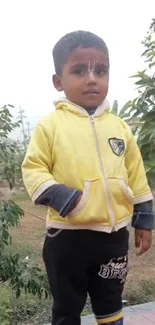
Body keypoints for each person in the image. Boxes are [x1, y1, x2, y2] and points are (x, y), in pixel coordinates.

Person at [22, 31, 154, 325]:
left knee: (110, 302)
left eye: (101, 70)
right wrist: (63, 197)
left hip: (114, 237)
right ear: (59, 81)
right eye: (79, 70)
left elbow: (136, 174)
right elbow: (33, 168)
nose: (92, 79)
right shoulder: (50, 126)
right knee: (68, 306)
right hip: (68, 237)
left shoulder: (120, 127)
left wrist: (144, 220)